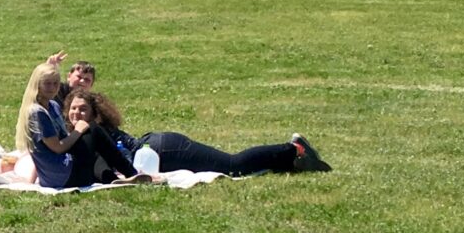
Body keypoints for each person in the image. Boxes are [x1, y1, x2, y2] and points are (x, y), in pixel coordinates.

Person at [74, 62, 333, 176]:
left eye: (82, 111)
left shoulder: (96, 131)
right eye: (72, 111)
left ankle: (294, 149)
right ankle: (290, 163)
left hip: (163, 149)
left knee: (232, 165)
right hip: (159, 146)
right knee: (231, 165)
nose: (76, 115)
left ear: (97, 115)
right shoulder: (89, 129)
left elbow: (122, 155)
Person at [15, 63, 146, 190]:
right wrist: (78, 131)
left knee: (91, 145)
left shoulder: (53, 106)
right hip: (63, 177)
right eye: (47, 83)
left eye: (55, 83)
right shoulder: (37, 113)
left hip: (63, 173)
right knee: (93, 130)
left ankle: (111, 179)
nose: (52, 87)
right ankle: (131, 173)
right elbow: (57, 148)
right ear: (37, 84)